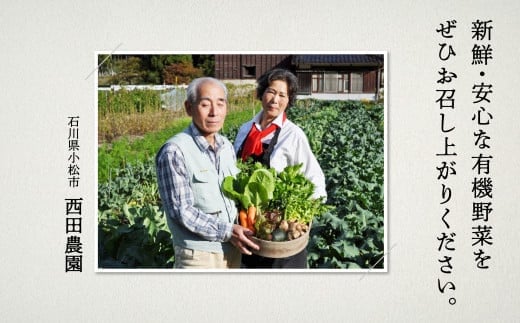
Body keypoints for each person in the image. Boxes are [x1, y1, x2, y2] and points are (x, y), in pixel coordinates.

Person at [156, 77, 259, 269]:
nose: (214, 112)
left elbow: (234, 197)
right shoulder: (174, 151)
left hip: (233, 251)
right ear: (189, 108)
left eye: (220, 104)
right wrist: (228, 231)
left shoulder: (226, 146)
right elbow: (182, 211)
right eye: (205, 104)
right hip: (198, 255)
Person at [234, 69, 327, 268]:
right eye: (271, 91)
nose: (275, 99)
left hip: (278, 236)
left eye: (282, 95)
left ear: (288, 100)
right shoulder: (245, 129)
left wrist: (300, 219)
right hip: (246, 230)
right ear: (261, 93)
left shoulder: (293, 135)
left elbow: (314, 177)